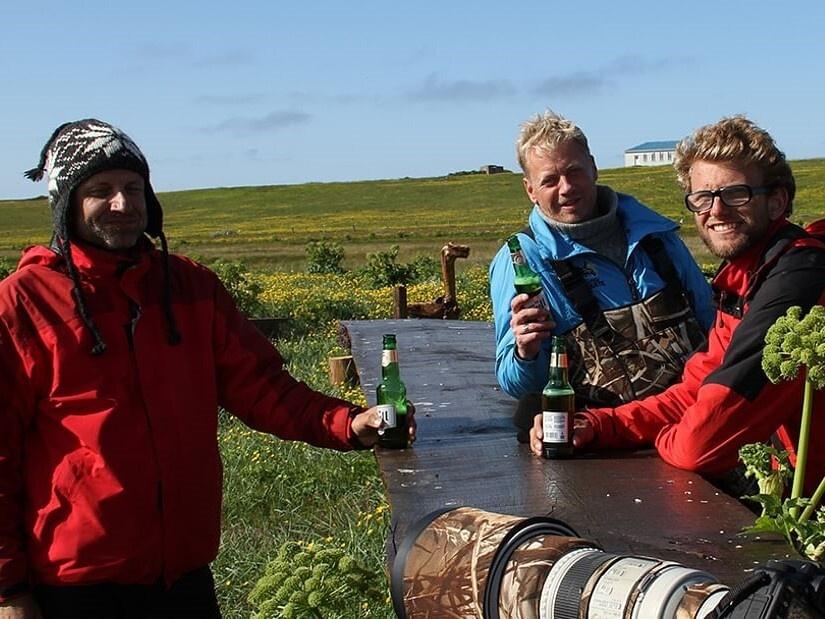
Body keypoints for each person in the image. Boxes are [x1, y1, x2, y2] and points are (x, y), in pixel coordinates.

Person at [0, 119, 415, 619]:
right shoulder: (23, 305)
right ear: (66, 205)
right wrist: (9, 590)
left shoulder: (189, 288)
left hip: (183, 576)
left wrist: (348, 422)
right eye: (100, 191)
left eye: (133, 188)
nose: (123, 204)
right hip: (76, 585)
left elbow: (261, 387)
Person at [529, 115, 825, 494]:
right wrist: (600, 425)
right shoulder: (745, 278)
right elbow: (696, 390)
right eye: (703, 198)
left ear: (777, 201)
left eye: (736, 193)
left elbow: (701, 444)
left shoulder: (801, 278)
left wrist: (668, 436)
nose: (716, 211)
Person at [489, 110, 714, 438]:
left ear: (593, 167)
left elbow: (711, 322)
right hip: (602, 444)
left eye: (574, 172)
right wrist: (527, 352)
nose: (566, 188)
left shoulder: (656, 236)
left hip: (694, 423)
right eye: (550, 180)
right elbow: (516, 384)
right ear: (530, 190)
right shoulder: (523, 260)